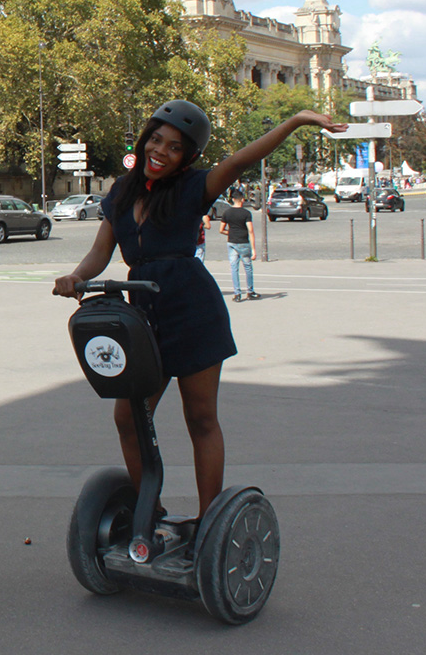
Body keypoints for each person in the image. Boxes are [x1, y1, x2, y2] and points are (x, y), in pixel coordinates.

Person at [53, 101, 344, 516]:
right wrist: (76, 278)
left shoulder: (194, 187)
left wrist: (295, 122)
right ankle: (148, 512)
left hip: (193, 312)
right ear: (145, 139)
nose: (161, 151)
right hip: (144, 320)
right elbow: (101, 251)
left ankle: (209, 522)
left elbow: (246, 157)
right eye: (156, 139)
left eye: (174, 147)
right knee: (128, 419)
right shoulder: (120, 190)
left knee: (201, 419)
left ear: (187, 158)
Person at [220, 190, 258, 301]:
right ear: (242, 199)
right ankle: (250, 291)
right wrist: (254, 249)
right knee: (248, 267)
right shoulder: (246, 213)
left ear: (232, 199)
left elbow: (221, 230)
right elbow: (250, 230)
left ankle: (237, 293)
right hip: (243, 242)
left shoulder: (227, 213)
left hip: (231, 242)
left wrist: (230, 232)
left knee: (234, 268)